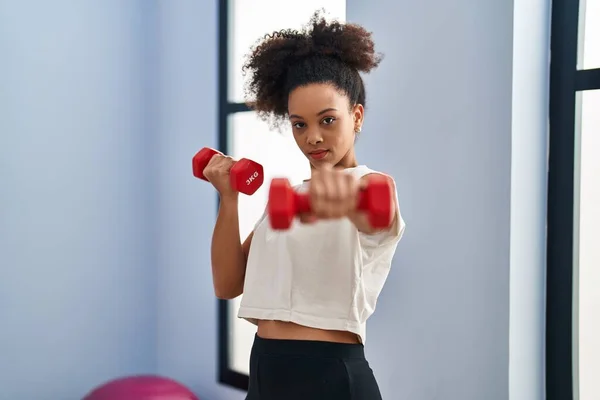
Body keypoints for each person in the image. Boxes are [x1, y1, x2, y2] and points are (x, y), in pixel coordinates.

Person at [203, 11, 406, 400]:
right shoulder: (289, 197)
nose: (313, 137)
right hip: (265, 369)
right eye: (300, 124)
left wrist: (338, 201)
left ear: (356, 116)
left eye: (328, 120)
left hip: (329, 374)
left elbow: (373, 213)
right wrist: (228, 198)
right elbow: (227, 284)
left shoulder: (373, 185)